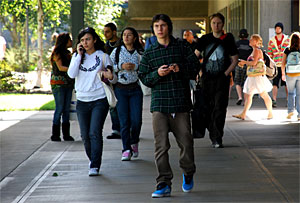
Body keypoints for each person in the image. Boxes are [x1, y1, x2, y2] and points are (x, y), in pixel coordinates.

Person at [139, 14, 199, 198]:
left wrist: (180, 69)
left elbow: (195, 67)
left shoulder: (182, 46)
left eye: (163, 25)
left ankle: (188, 172)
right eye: (156, 25)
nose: (159, 29)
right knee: (161, 146)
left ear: (169, 27)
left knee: (186, 143)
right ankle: (163, 182)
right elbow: (143, 77)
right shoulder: (149, 53)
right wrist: (157, 73)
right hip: (159, 104)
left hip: (180, 103)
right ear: (153, 29)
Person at [68, 27, 116, 176]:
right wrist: (78, 55)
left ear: (94, 40)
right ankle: (92, 159)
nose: (85, 42)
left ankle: (95, 164)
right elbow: (71, 74)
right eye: (82, 40)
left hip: (99, 100)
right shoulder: (77, 56)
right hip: (82, 100)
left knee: (94, 132)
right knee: (84, 135)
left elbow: (113, 78)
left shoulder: (103, 56)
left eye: (88, 39)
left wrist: (109, 75)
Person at [195, 13, 238, 148]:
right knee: (206, 108)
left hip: (222, 80)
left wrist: (225, 74)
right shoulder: (205, 39)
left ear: (223, 24)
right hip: (206, 80)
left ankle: (217, 137)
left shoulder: (228, 39)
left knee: (220, 108)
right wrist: (200, 72)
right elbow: (195, 57)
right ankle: (212, 131)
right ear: (210, 24)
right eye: (213, 23)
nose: (216, 25)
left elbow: (235, 60)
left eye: (218, 23)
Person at [110, 27, 144, 161]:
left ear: (134, 38)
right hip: (120, 89)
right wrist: (121, 67)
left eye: (129, 35)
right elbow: (108, 67)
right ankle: (126, 149)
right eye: (124, 35)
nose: (126, 37)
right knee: (124, 121)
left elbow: (146, 67)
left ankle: (134, 141)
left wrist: (135, 67)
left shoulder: (140, 52)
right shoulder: (117, 51)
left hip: (135, 89)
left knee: (136, 120)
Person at [233, 34, 273, 120]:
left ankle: (270, 113)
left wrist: (244, 62)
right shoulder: (255, 50)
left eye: (251, 39)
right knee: (250, 95)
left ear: (255, 41)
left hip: (256, 76)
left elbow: (254, 63)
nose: (249, 41)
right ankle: (243, 114)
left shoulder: (256, 51)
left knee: (262, 94)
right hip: (254, 76)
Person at [50, 33, 75, 142]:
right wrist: (73, 69)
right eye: (69, 40)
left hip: (68, 84)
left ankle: (66, 134)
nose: (71, 42)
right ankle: (55, 135)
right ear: (65, 41)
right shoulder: (57, 52)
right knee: (60, 108)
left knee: (66, 109)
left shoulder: (68, 53)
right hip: (58, 84)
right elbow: (60, 67)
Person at [103, 23, 121, 139]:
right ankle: (116, 130)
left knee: (123, 105)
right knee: (112, 104)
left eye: (107, 32)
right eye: (104, 32)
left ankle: (126, 128)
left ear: (114, 32)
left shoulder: (122, 44)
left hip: (123, 79)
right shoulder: (105, 47)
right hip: (110, 80)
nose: (105, 34)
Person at [267, 22, 289, 107]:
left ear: (281, 29)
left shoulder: (287, 39)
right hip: (276, 65)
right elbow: (270, 53)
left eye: (279, 28)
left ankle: (288, 100)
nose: (277, 30)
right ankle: (274, 100)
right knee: (275, 83)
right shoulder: (272, 41)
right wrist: (270, 64)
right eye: (276, 28)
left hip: (285, 64)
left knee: (286, 83)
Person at [281, 32, 300, 120]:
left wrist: (283, 74)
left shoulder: (287, 50)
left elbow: (283, 63)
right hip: (299, 74)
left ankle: (290, 111)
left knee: (291, 93)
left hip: (290, 74)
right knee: (299, 94)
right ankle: (299, 114)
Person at [234, 29, 253, 105]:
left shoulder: (237, 44)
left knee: (237, 81)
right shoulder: (250, 44)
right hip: (247, 64)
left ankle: (240, 97)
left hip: (239, 64)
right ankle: (246, 100)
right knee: (246, 82)